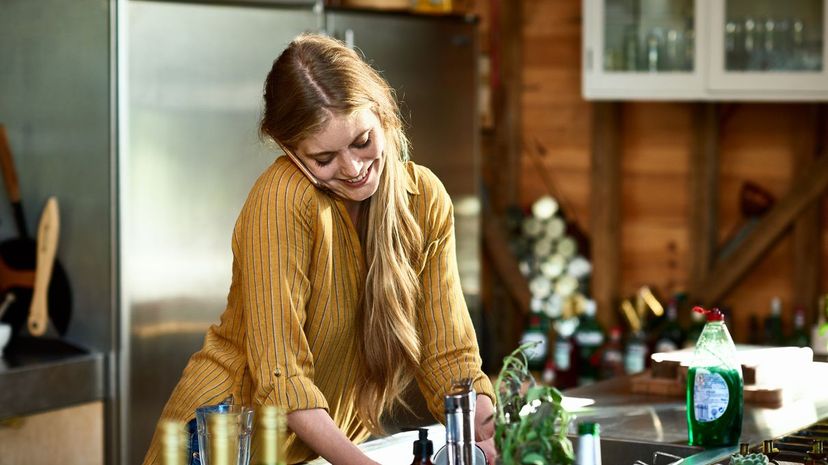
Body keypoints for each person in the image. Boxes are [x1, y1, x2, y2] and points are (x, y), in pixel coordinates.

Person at [142, 33, 496, 465]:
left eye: (362, 141)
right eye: (324, 158)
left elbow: (450, 355)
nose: (353, 168)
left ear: (382, 112)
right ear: (290, 152)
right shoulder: (282, 201)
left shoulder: (425, 200)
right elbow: (282, 380)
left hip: (320, 451)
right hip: (222, 445)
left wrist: (485, 430)